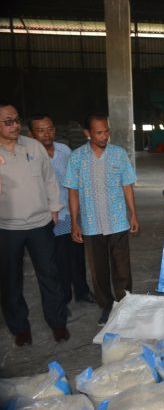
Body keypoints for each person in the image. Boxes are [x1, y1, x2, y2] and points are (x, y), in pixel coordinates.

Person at [0, 101, 69, 345]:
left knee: (50, 274)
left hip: (40, 223)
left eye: (17, 119)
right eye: (8, 121)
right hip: (7, 227)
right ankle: (20, 327)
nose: (15, 125)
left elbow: (50, 179)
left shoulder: (33, 147)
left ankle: (58, 322)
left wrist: (53, 207)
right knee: (10, 280)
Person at [64, 113, 139, 326]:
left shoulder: (119, 154)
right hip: (91, 224)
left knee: (122, 267)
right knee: (99, 270)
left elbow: (127, 185)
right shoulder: (77, 157)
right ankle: (106, 306)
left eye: (106, 131)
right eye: (99, 132)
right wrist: (74, 223)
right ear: (88, 133)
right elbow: (73, 192)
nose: (104, 136)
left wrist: (133, 213)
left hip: (117, 222)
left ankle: (125, 304)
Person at [28, 114, 95, 306]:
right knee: (57, 261)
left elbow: (76, 180)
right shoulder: (30, 156)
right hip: (51, 217)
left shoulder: (64, 150)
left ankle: (82, 291)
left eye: (49, 129)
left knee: (77, 256)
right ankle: (63, 298)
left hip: (73, 213)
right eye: (40, 130)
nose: (46, 134)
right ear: (32, 134)